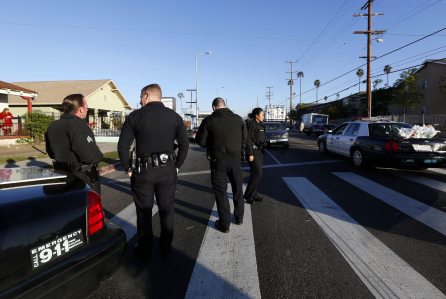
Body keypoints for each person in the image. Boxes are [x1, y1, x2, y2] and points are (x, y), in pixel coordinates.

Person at [118, 84, 188, 258]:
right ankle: (166, 247)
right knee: (167, 209)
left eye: (141, 97)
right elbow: (184, 145)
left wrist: (128, 168)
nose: (140, 100)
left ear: (147, 96)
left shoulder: (135, 116)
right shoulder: (175, 117)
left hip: (143, 171)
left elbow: (123, 146)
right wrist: (177, 165)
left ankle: (145, 249)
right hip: (168, 170)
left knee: (144, 212)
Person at [195, 98, 248, 233]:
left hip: (218, 161)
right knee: (237, 189)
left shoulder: (209, 120)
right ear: (225, 105)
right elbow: (245, 139)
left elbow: (200, 141)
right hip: (236, 160)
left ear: (214, 107)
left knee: (221, 192)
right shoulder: (238, 119)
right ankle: (239, 217)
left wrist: (212, 144)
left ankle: (224, 224)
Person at [45, 94, 103, 193]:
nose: (87, 110)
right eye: (86, 107)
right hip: (81, 178)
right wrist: (99, 156)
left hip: (59, 175)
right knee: (87, 207)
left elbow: (51, 152)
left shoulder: (53, 125)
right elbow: (90, 157)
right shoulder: (79, 125)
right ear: (81, 109)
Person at [244, 108, 265, 204]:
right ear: (256, 116)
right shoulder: (252, 124)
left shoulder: (260, 124)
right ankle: (248, 195)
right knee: (258, 173)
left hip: (259, 152)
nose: (263, 116)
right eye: (262, 115)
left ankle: (254, 194)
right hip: (254, 152)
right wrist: (250, 153)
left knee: (255, 174)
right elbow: (248, 140)